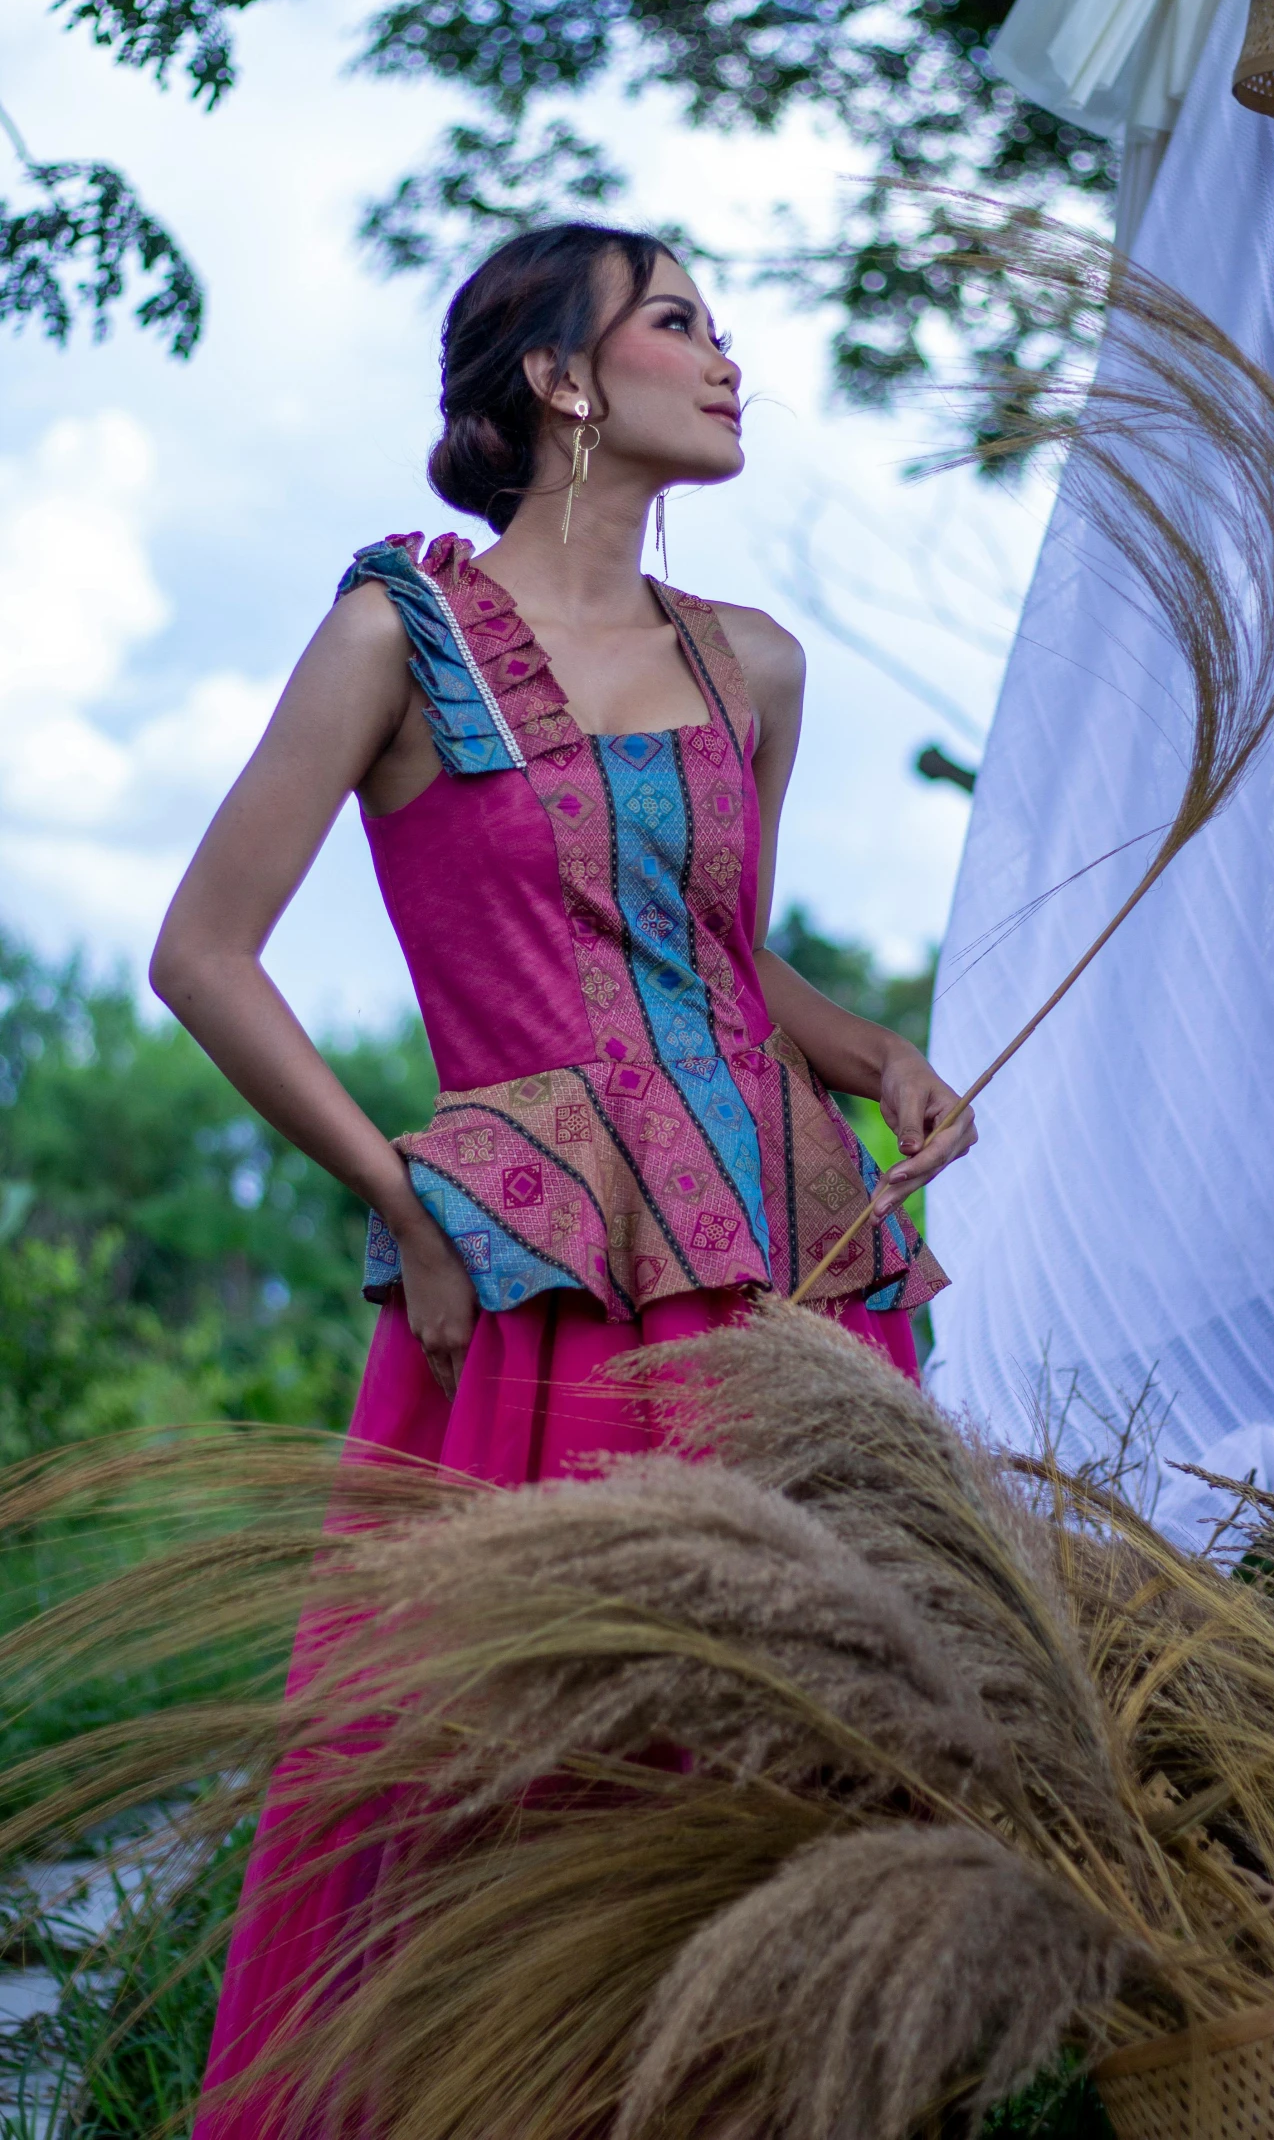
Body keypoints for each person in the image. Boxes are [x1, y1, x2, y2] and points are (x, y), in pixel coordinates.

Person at [149, 219, 975, 2133]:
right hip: (542, 1292)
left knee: (800, 1783)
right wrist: (403, 1194)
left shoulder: (748, 663)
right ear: (562, 379)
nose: (729, 356)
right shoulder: (395, 631)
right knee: (519, 1792)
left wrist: (870, 1052)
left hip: (799, 1274)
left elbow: (705, 950)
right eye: (681, 322)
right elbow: (202, 949)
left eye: (723, 324)